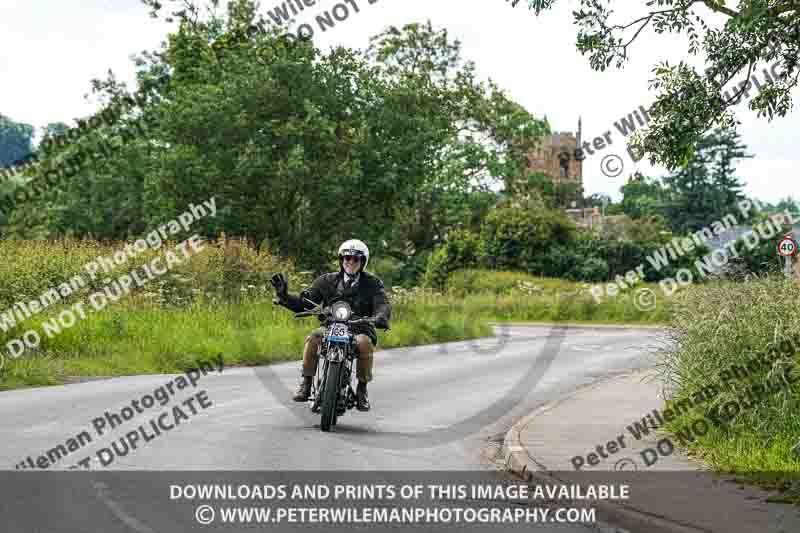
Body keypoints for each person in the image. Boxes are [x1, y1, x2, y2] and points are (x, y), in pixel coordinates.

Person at [270, 239, 391, 411]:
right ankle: (306, 383)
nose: (350, 262)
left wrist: (380, 317)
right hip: (331, 326)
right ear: (341, 260)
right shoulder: (326, 280)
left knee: (364, 343)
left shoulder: (372, 283)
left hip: (360, 328)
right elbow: (307, 301)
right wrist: (284, 296)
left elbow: (382, 304)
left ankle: (362, 389)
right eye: (347, 258)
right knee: (313, 337)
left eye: (355, 259)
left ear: (362, 262)